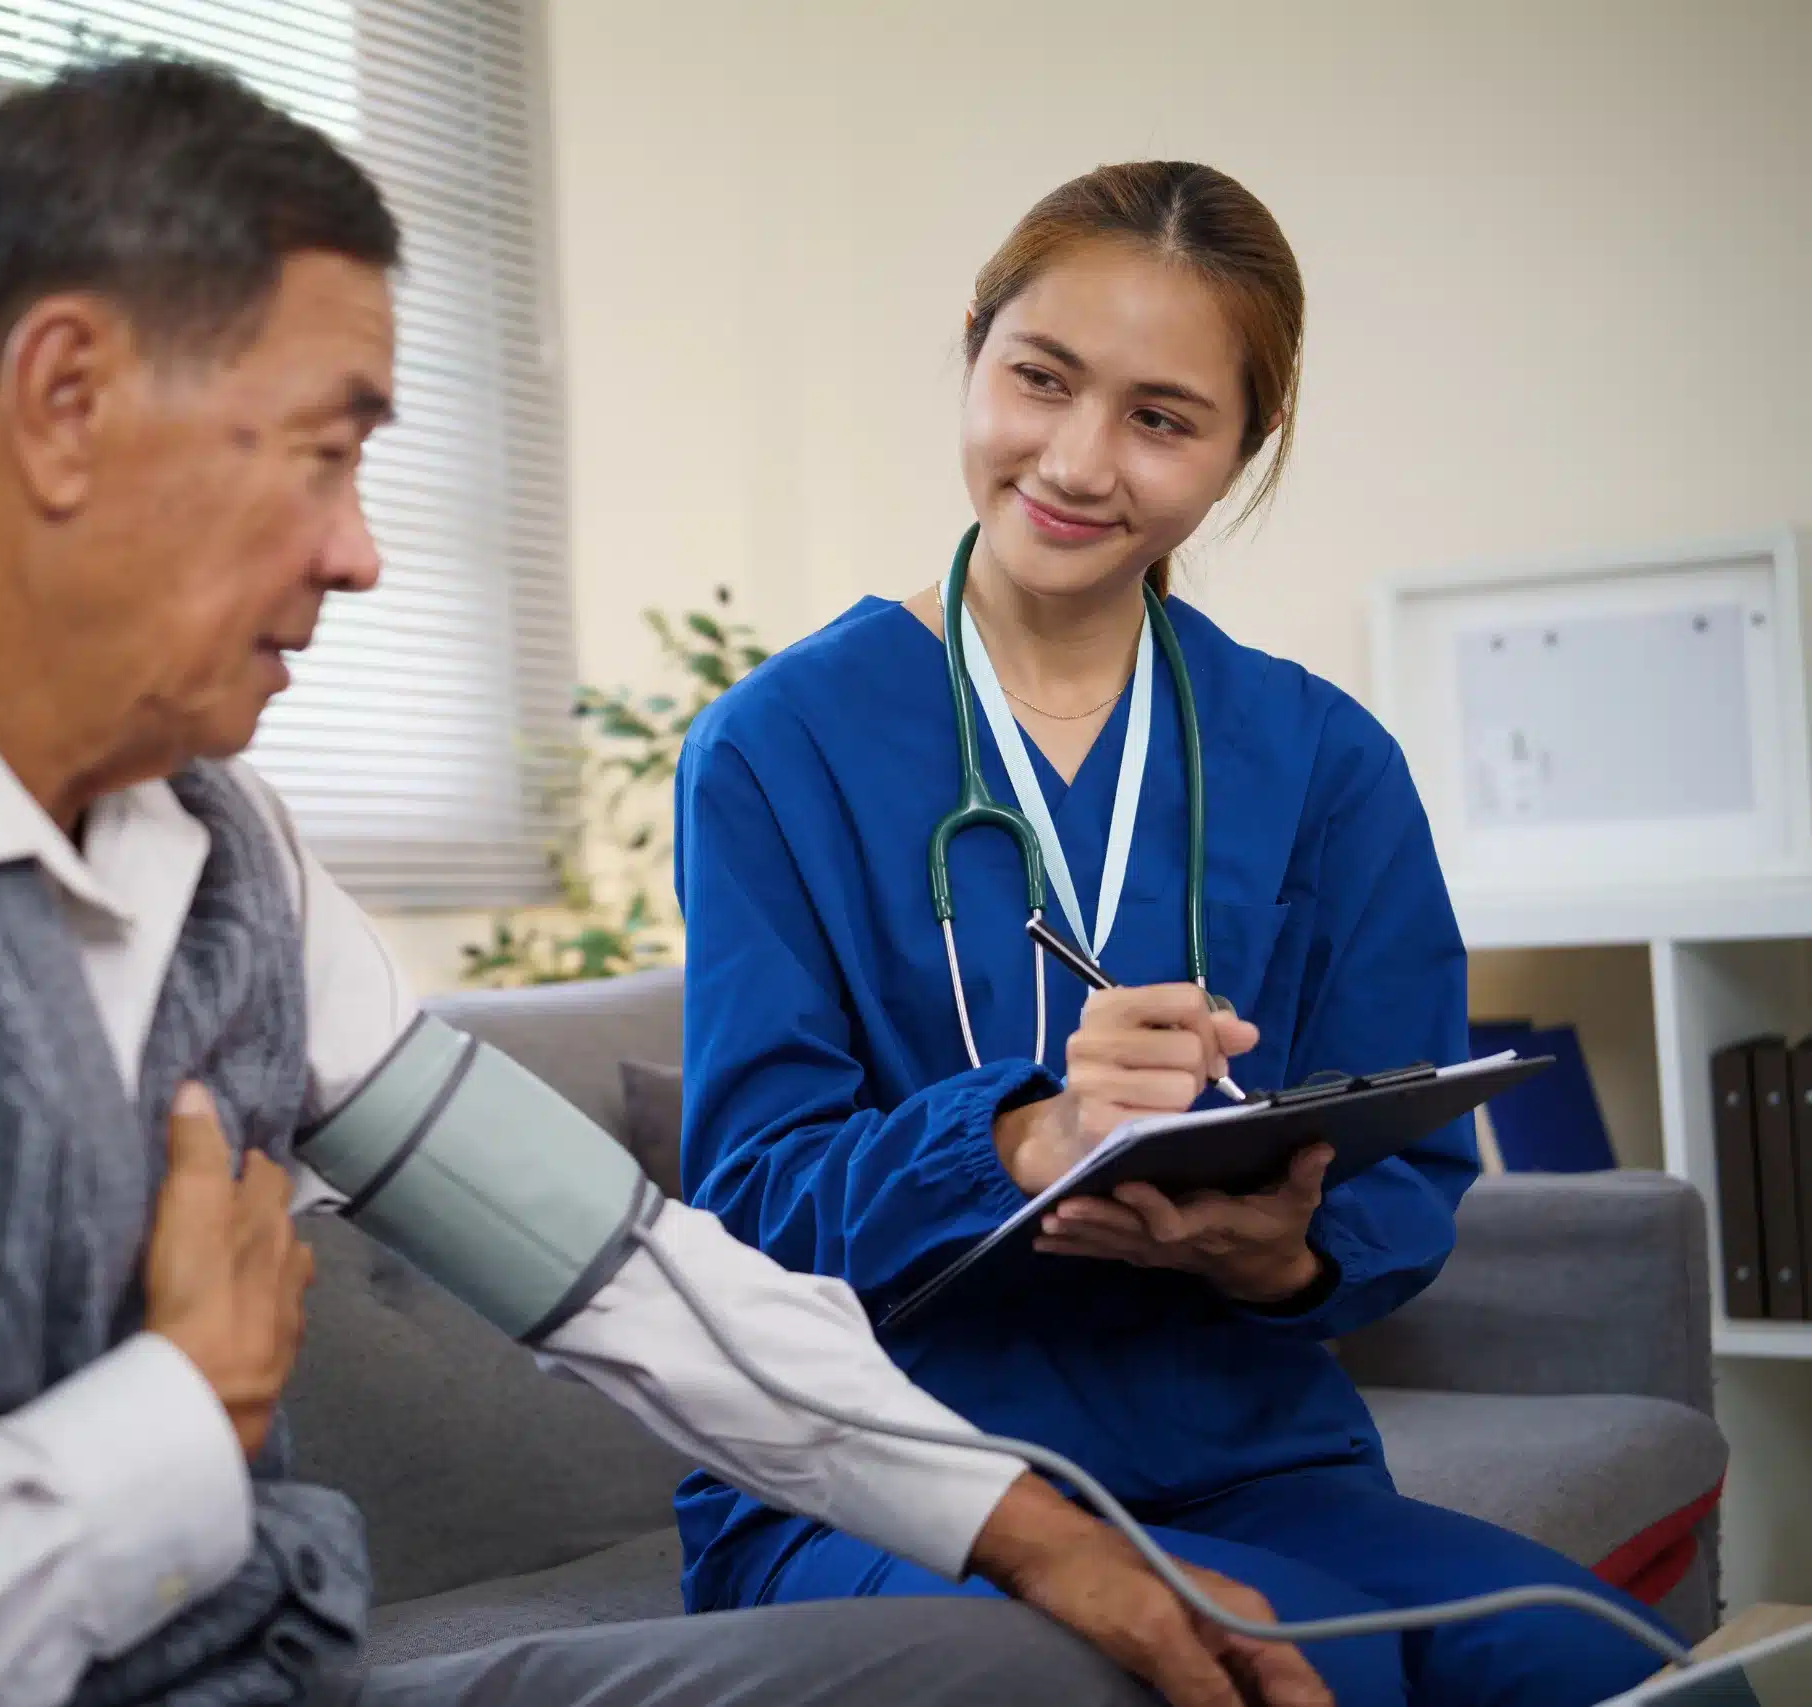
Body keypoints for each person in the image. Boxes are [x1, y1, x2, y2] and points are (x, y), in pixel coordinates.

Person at [0, 61, 1335, 1707]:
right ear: (63, 401)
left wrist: (1054, 1541)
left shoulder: (215, 847)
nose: (365, 554)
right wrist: (175, 1413)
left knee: (1019, 1672)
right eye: (324, 451)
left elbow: (625, 1274)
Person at [668, 161, 1680, 1707]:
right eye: (1041, 379)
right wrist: (1024, 1136)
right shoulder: (774, 748)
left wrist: (1280, 1254)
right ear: (974, 352)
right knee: (1278, 1673)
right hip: (887, 1468)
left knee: (1603, 1663)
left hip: (1242, 1452)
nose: (1078, 460)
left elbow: (1402, 1181)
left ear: (1241, 447)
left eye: (1160, 416)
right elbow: (746, 1206)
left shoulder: (1322, 760)